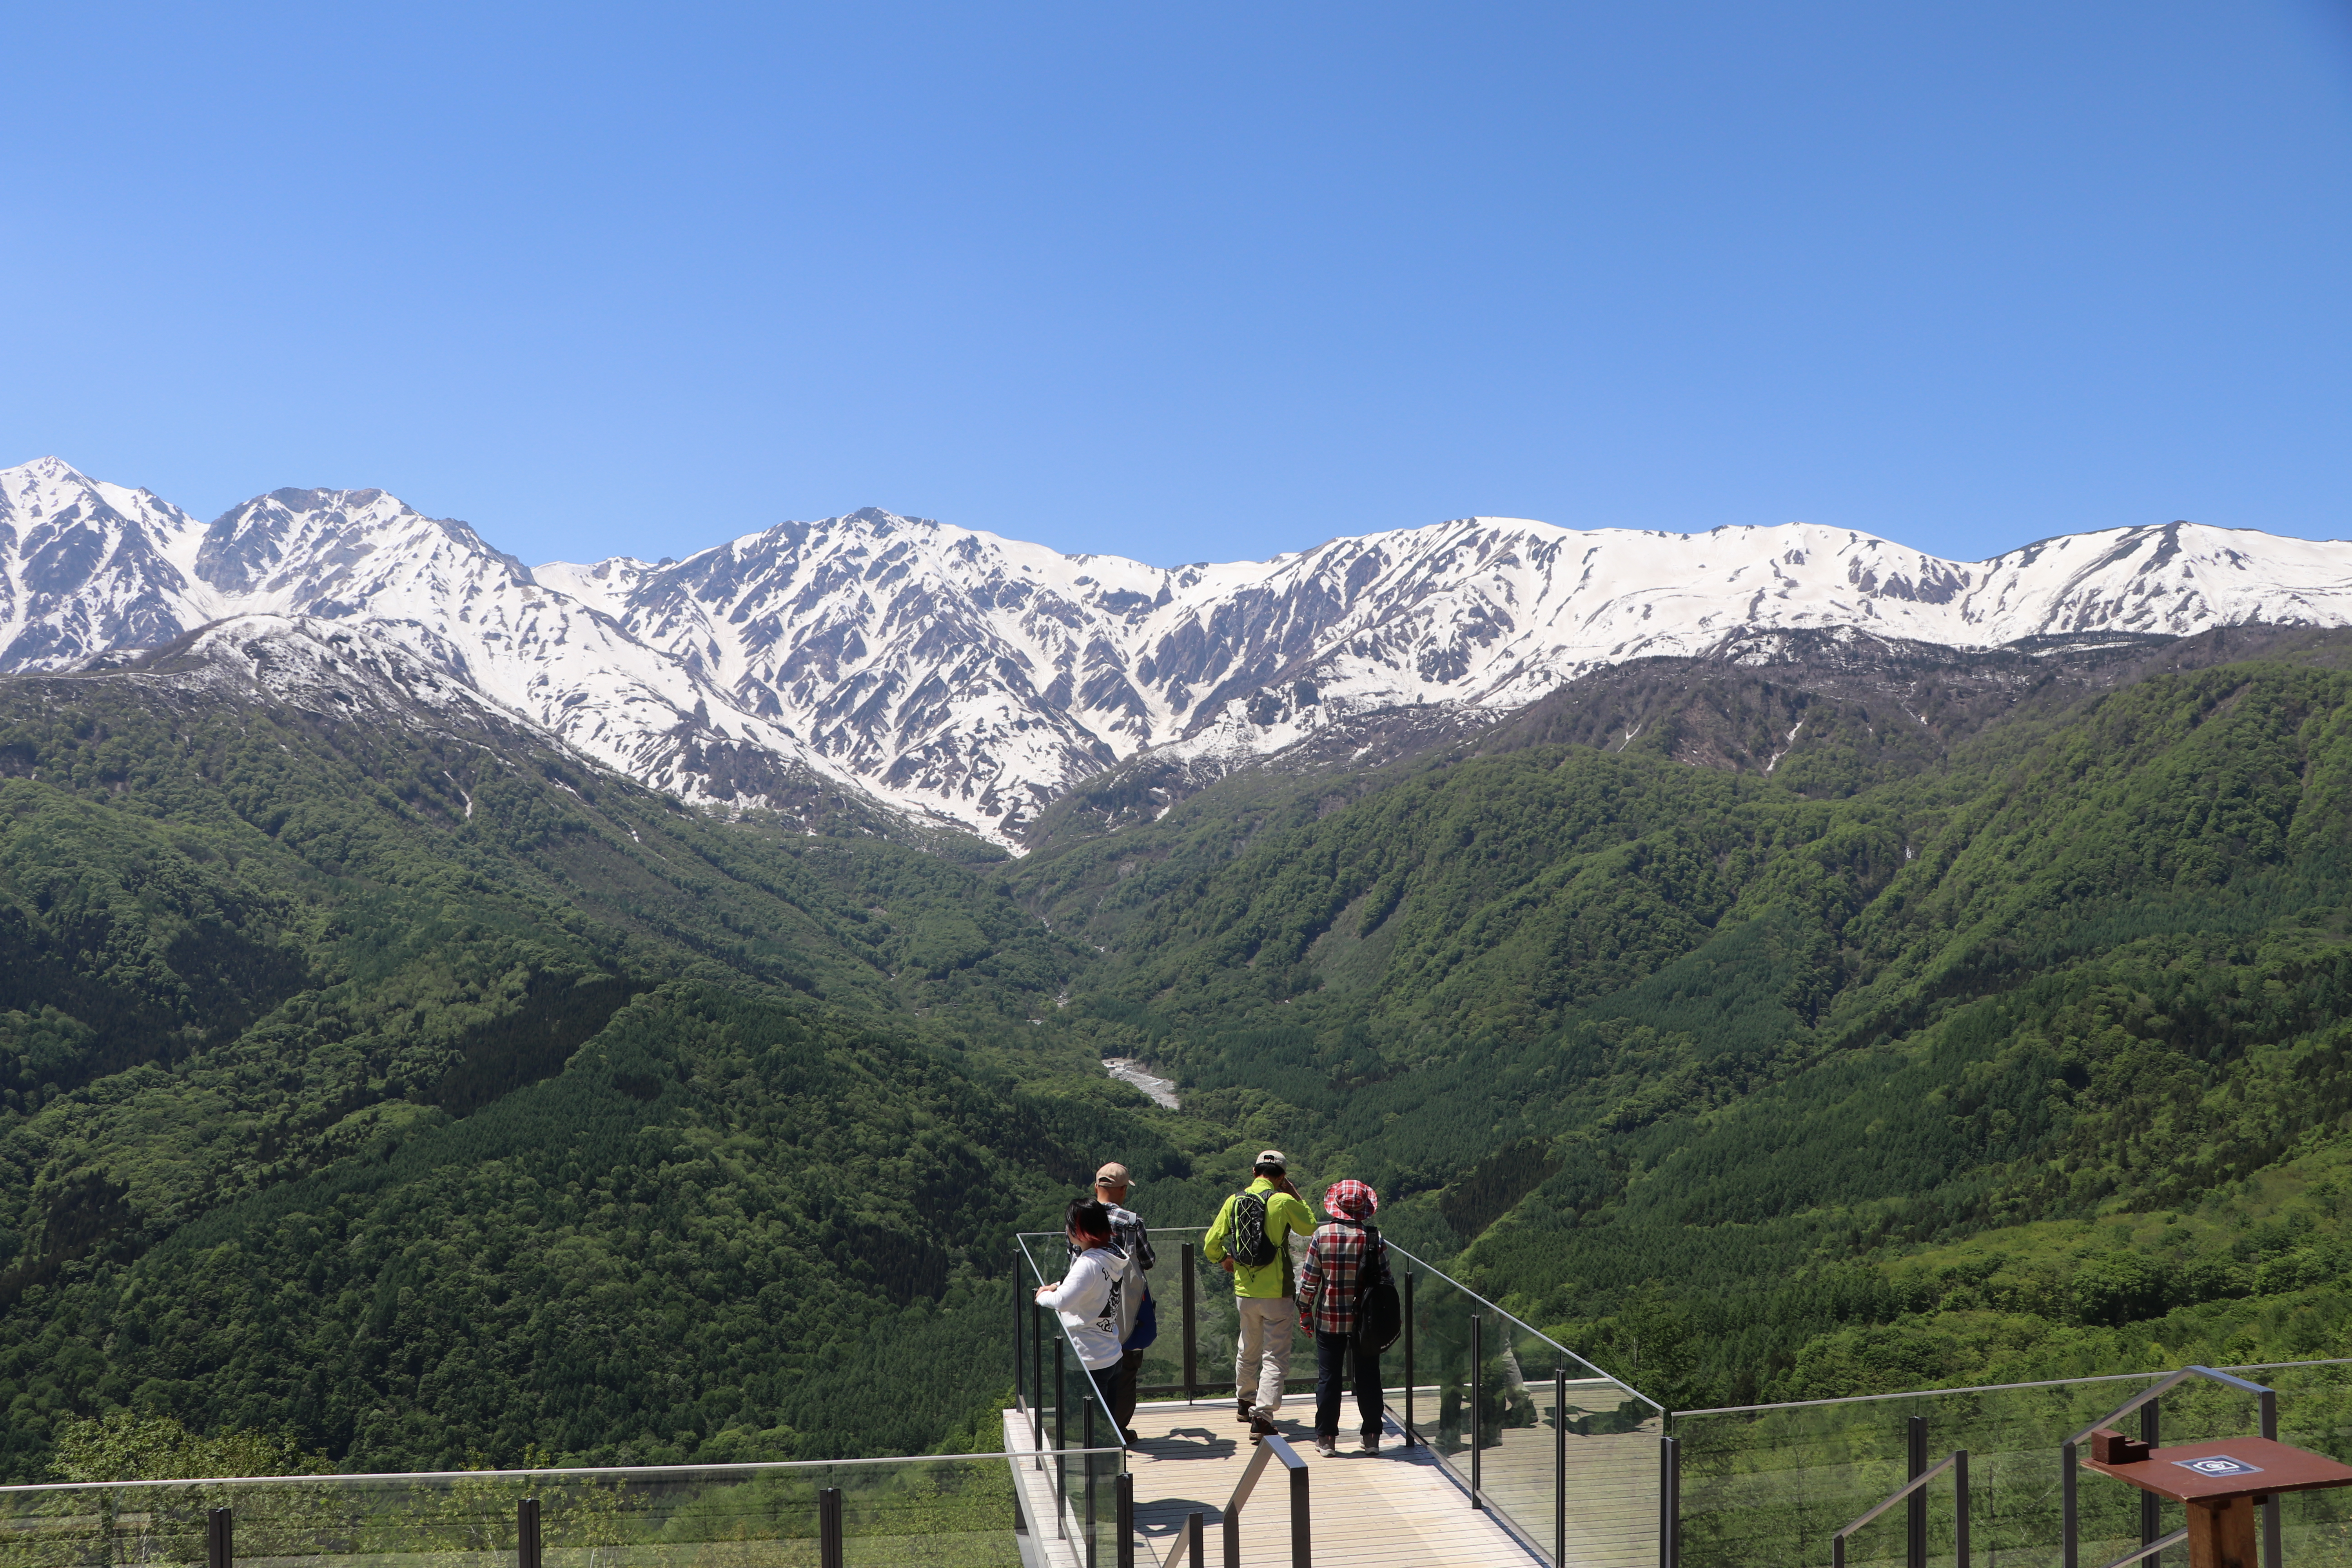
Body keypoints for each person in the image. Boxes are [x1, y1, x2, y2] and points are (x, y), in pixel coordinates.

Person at [1203, 1149, 1316, 1442]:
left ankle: (1244, 1402)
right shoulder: (1283, 1200)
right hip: (1277, 1290)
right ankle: (1262, 1418)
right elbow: (1309, 1227)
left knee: (1248, 1347)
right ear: (1281, 1178)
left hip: (1245, 1288)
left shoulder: (1235, 1201)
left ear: (1254, 1173)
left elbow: (1210, 1244)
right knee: (1275, 1356)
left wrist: (1225, 1260)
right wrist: (1294, 1194)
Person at [1296, 1178, 1390, 1457]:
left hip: (1329, 1317)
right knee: (1369, 1377)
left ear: (1335, 1206)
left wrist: (1304, 1311)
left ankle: (1326, 1438)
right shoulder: (1374, 1238)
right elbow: (1387, 1281)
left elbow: (1309, 1281)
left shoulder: (1321, 1236)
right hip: (1366, 1322)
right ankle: (1372, 1437)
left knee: (1329, 1378)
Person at [1034, 1199, 1130, 1432]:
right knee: (1106, 1427)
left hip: (1088, 1358)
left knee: (1086, 1430)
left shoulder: (1087, 1263)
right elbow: (1091, 1287)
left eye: (1069, 1226)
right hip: (1111, 1354)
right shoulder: (1112, 1255)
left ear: (1081, 1231)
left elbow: (1063, 1301)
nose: (1067, 1231)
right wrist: (1058, 1285)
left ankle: (1089, 1468)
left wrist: (1040, 1297)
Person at [1087, 1162, 1154, 1445]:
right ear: (1123, 1190)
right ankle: (1119, 1429)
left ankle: (1095, 1430)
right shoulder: (1131, 1221)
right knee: (1127, 1365)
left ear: (1096, 1188)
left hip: (1089, 1303)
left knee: (1095, 1365)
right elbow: (1148, 1261)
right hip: (1124, 1303)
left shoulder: (1079, 1218)